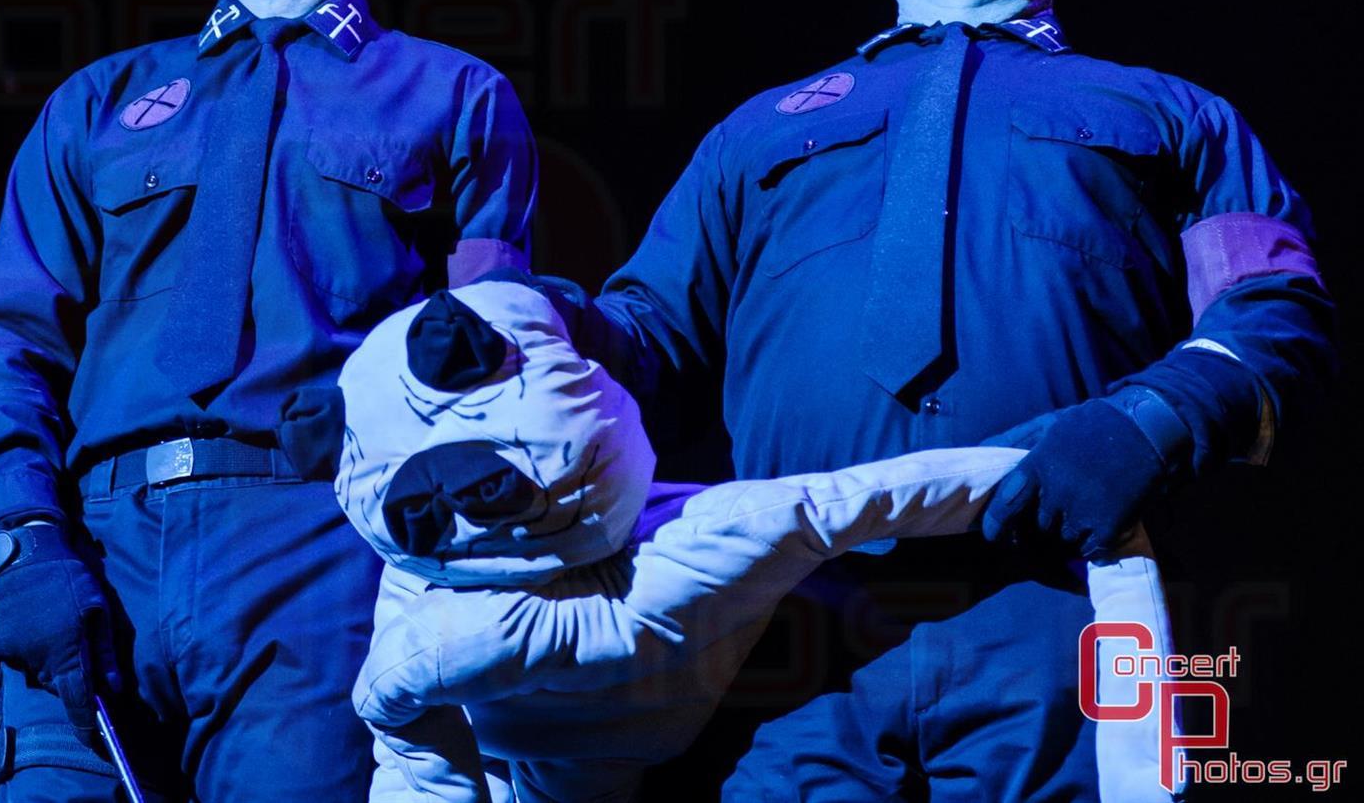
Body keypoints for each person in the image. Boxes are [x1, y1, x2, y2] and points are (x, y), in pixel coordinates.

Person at [358, 0, 1335, 799]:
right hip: (791, 622)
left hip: (1057, 595)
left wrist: (1145, 423)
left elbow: (1271, 308)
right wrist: (544, 329)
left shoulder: (1173, 115)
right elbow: (654, 332)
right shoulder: (759, 132)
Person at [0, 0, 539, 801]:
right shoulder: (99, 105)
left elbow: (490, 375)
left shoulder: (457, 99)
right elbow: (10, 355)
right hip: (92, 551)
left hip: (318, 552)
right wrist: (21, 544)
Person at [335, 280, 1179, 803]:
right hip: (543, 732)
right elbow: (866, 499)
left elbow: (864, 499)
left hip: (584, 750)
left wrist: (1082, 462)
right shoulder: (437, 600)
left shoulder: (694, 541)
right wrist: (1067, 465)